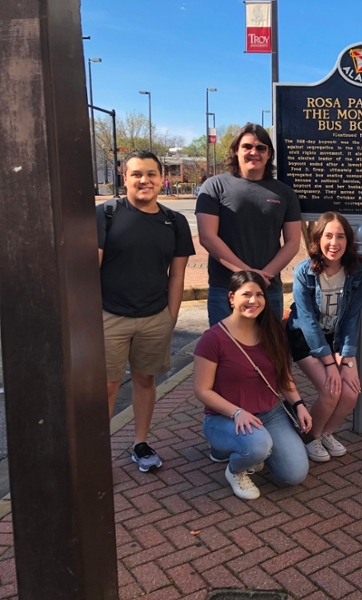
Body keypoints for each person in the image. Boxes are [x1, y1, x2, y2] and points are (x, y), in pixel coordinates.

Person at [97, 150, 195, 472]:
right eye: (137, 174)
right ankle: (97, 452)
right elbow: (90, 270)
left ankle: (140, 443)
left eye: (151, 174)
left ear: (160, 178)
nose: (144, 180)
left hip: (155, 318)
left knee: (145, 380)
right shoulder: (106, 215)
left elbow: (177, 274)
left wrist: (171, 317)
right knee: (108, 385)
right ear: (124, 178)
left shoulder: (175, 221)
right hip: (110, 315)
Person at [193, 271, 311, 500]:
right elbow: (202, 390)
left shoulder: (273, 331)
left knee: (294, 474)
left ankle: (252, 451)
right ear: (231, 297)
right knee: (258, 444)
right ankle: (235, 468)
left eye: (259, 294)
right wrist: (237, 412)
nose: (253, 300)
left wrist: (299, 404)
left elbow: (283, 376)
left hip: (270, 413)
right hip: (225, 416)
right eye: (246, 294)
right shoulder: (213, 338)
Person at [196, 123, 302, 325]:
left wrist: (264, 276)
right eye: (247, 147)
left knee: (267, 353)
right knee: (226, 353)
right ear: (236, 150)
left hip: (268, 290)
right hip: (226, 289)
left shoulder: (285, 193)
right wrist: (248, 275)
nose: (254, 152)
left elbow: (293, 243)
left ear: (269, 154)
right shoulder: (214, 187)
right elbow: (207, 237)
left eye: (261, 148)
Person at [285, 212, 362, 462]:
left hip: (336, 339)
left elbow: (352, 318)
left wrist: (348, 361)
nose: (334, 243)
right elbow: (308, 323)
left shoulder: (358, 271)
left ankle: (324, 433)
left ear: (348, 240)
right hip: (305, 338)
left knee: (351, 393)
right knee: (331, 390)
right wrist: (330, 364)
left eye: (340, 236)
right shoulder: (304, 272)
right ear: (318, 239)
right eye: (328, 236)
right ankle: (309, 437)